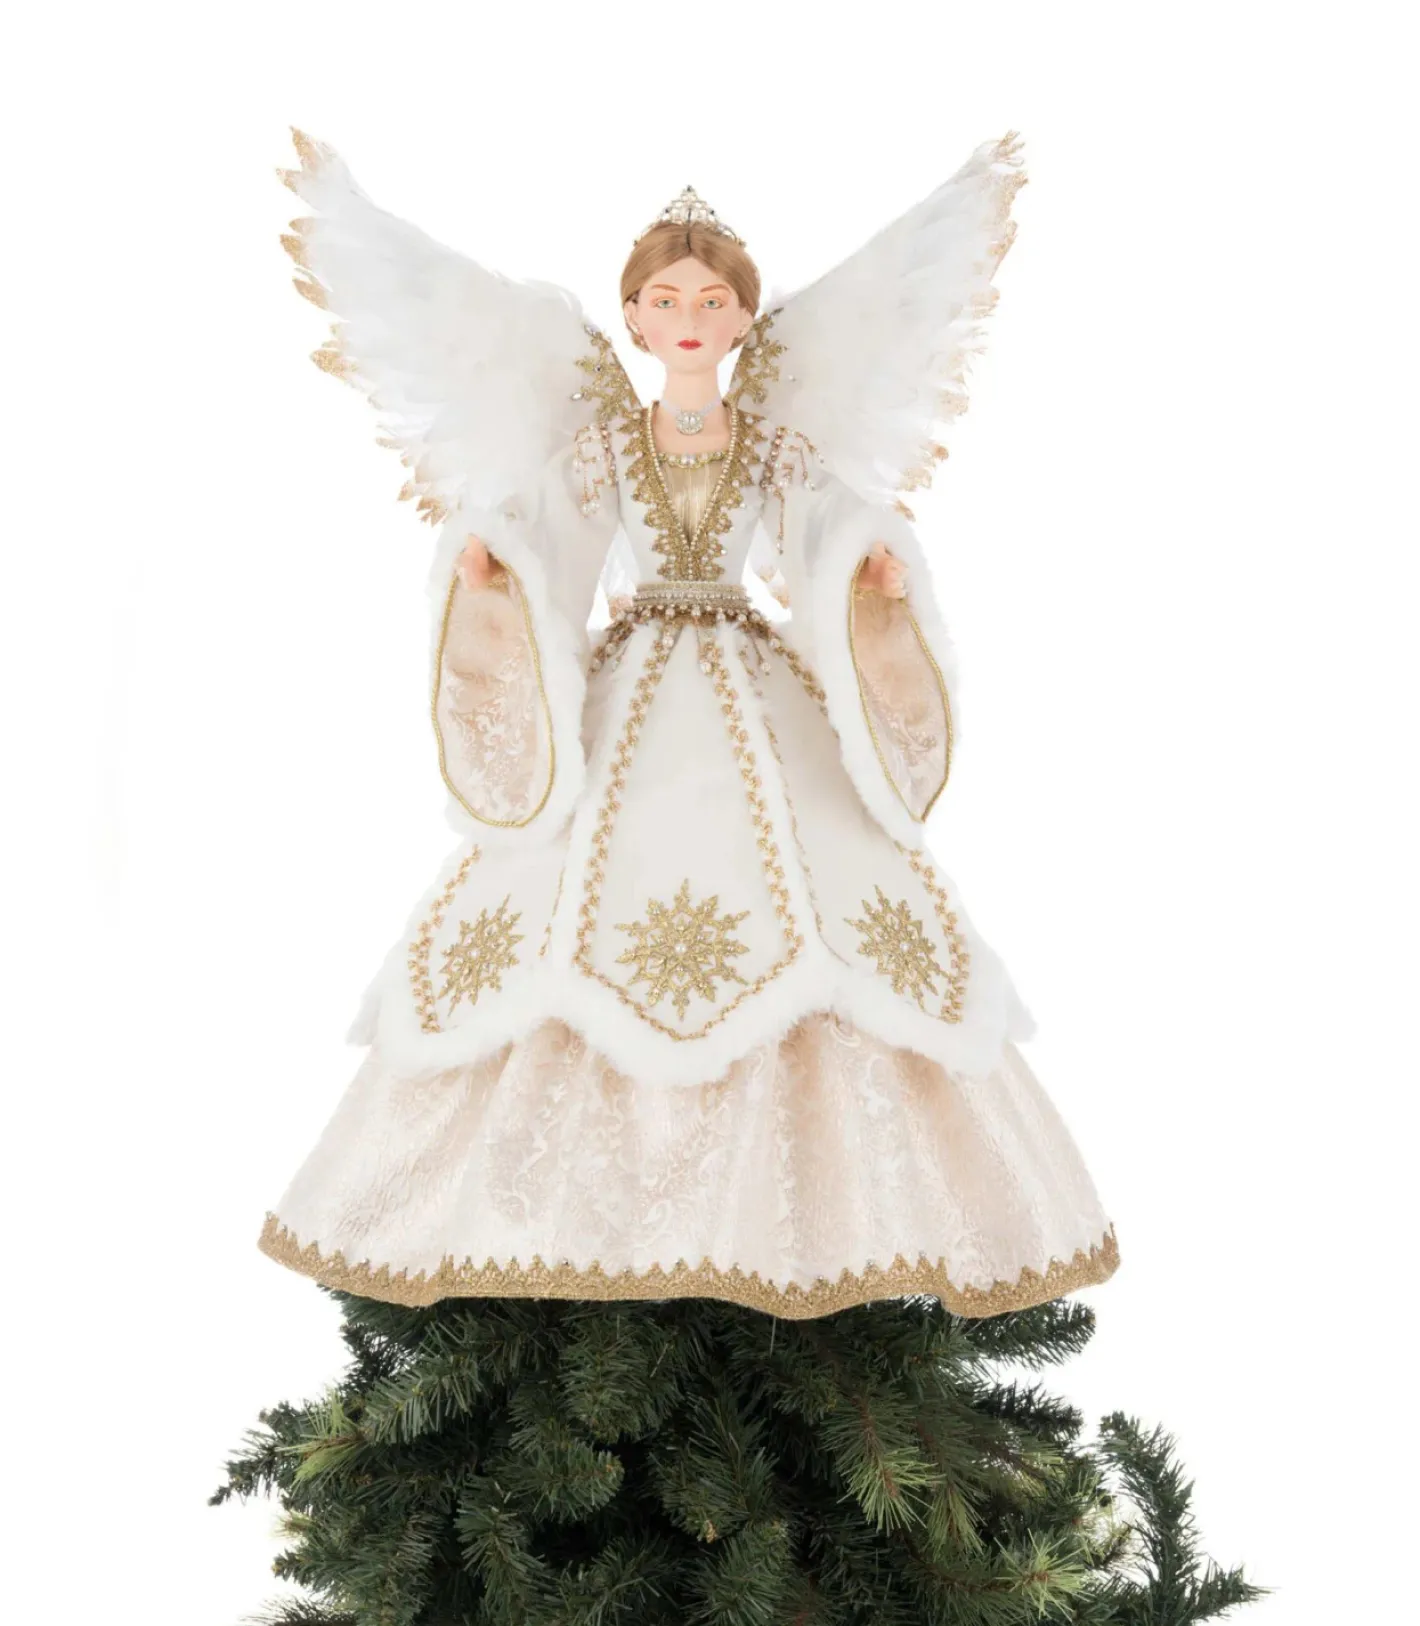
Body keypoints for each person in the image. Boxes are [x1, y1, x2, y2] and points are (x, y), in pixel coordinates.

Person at [258, 128, 1119, 1318]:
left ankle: (817, 1211)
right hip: (639, 680)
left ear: (743, 317)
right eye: (666, 301)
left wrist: (865, 566)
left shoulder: (768, 442)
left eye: (710, 301)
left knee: (817, 901)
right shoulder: (613, 444)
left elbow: (822, 520)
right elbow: (551, 523)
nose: (689, 319)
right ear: (632, 317)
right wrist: (496, 559)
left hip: (749, 681)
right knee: (568, 904)